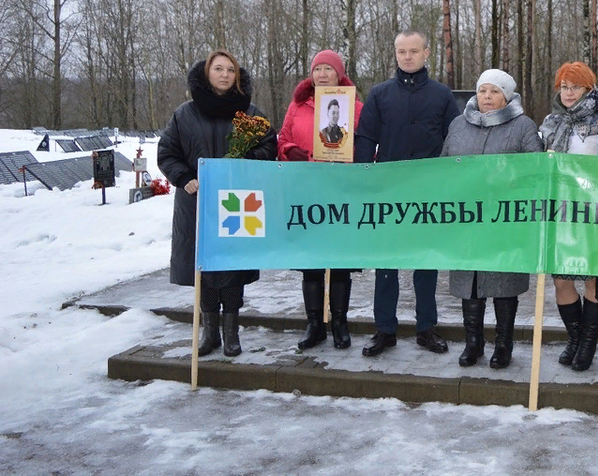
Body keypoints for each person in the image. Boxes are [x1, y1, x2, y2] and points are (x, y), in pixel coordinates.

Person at [158, 50, 278, 357]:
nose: (225, 75)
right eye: (218, 69)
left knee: (232, 268)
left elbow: (269, 145)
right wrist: (183, 176)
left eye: (230, 70)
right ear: (206, 73)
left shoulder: (250, 112)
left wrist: (247, 162)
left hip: (238, 203)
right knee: (206, 267)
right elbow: (167, 153)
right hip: (198, 202)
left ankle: (231, 333)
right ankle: (209, 333)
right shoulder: (185, 114)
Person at [355, 31, 461, 358]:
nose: (407, 57)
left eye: (413, 51)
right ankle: (384, 329)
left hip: (429, 193)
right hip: (389, 192)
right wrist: (364, 180)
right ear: (395, 53)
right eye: (401, 51)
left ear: (426, 53)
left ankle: (426, 328)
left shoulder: (442, 96)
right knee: (386, 264)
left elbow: (454, 142)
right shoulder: (380, 94)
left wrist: (451, 183)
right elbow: (365, 139)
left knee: (425, 263)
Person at [442, 68, 544, 369]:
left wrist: (508, 181)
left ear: (507, 96)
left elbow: (534, 169)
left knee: (503, 282)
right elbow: (444, 166)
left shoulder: (522, 125)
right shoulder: (459, 125)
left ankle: (504, 344)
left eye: (495, 91)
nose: (487, 97)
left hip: (505, 220)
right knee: (469, 281)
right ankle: (473, 342)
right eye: (483, 90)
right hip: (467, 219)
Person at [539, 61, 598, 371]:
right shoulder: (551, 123)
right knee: (562, 281)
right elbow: (538, 167)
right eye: (563, 86)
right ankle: (575, 339)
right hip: (559, 215)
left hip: (594, 214)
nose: (568, 92)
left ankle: (588, 344)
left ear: (589, 88)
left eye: (574, 86)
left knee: (593, 280)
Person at [277, 50, 364, 351]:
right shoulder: (297, 106)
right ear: (311, 74)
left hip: (341, 189)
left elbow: (367, 145)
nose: (323, 74)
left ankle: (340, 322)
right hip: (307, 188)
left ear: (339, 73)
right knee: (311, 260)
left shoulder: (355, 107)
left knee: (339, 259)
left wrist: (351, 158)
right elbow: (282, 139)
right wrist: (290, 151)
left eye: (329, 68)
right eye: (318, 69)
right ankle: (314, 323)